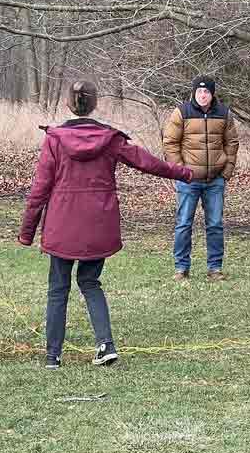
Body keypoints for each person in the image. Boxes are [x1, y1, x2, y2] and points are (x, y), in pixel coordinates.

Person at [18, 81, 192, 369]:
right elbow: (148, 162)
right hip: (98, 224)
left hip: (62, 225)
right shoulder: (110, 139)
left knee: (58, 288)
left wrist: (27, 232)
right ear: (95, 103)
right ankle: (105, 345)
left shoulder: (55, 139)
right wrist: (184, 173)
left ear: (69, 104)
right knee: (90, 282)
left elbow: (40, 188)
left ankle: (53, 356)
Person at [162, 76, 239, 281]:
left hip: (215, 180)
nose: (203, 95)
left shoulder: (224, 113)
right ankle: (181, 268)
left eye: (206, 92)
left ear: (212, 94)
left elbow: (232, 143)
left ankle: (215, 268)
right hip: (189, 180)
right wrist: (181, 170)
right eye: (199, 92)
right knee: (183, 224)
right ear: (193, 93)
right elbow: (170, 143)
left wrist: (226, 171)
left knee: (215, 224)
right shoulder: (182, 112)